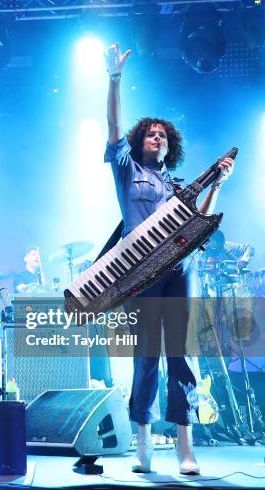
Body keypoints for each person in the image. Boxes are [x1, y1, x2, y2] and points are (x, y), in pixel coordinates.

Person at [103, 43, 234, 475]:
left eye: (162, 134)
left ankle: (185, 446)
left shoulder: (176, 184)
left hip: (182, 270)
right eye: (150, 133)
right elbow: (113, 126)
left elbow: (199, 220)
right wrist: (115, 79)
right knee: (147, 356)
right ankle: (143, 442)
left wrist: (218, 182)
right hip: (142, 272)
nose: (155, 137)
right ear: (140, 141)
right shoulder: (126, 169)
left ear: (169, 144)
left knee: (183, 354)